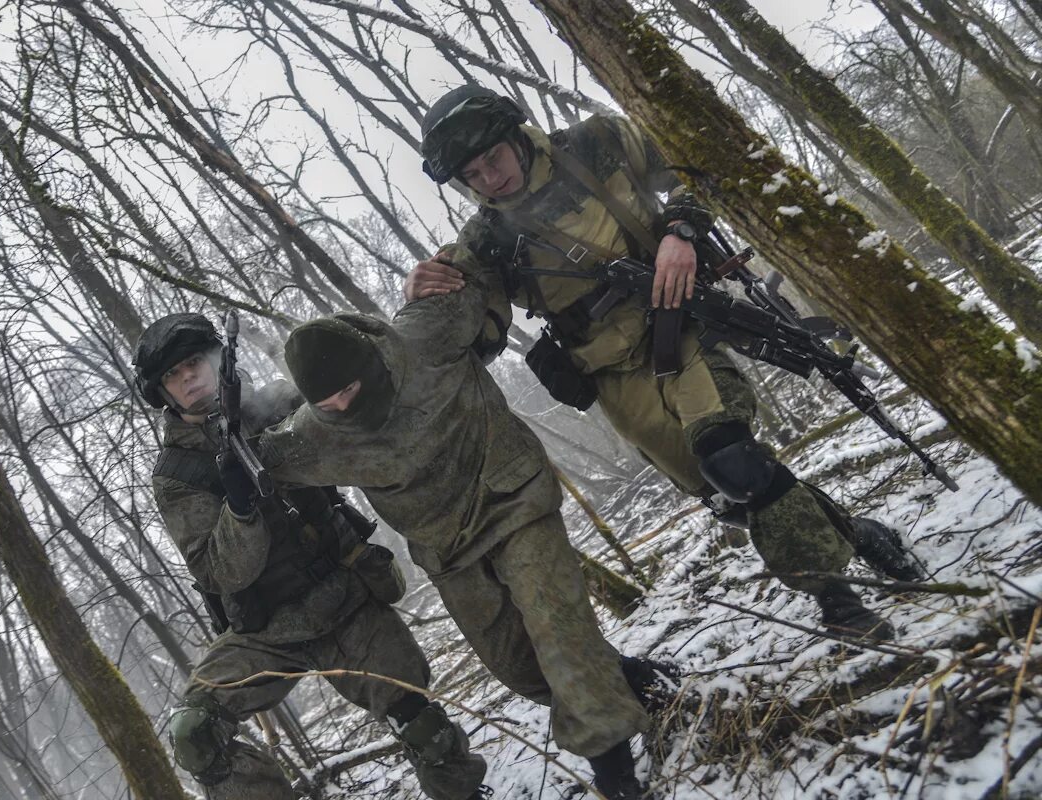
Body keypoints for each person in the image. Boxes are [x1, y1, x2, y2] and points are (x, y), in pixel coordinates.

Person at [408, 84, 927, 643]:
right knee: (730, 493)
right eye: (473, 174)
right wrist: (425, 294)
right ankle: (859, 534)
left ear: (516, 136)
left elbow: (692, 165)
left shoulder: (596, 143)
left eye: (494, 158)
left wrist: (680, 230)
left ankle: (839, 603)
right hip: (612, 374)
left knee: (731, 456)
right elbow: (474, 333)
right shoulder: (482, 243)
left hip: (679, 322)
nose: (491, 178)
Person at [257, 267, 676, 800]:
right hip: (448, 550)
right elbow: (260, 460)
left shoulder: (423, 335)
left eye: (348, 390)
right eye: (327, 402)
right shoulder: (315, 435)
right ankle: (638, 682)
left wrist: (439, 270)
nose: (342, 406)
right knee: (521, 667)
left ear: (369, 363)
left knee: (557, 631)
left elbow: (481, 272)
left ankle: (616, 774)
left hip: (514, 501)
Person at [132, 313, 489, 800]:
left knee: (422, 722)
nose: (187, 377)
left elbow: (365, 433)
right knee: (195, 732)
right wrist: (240, 509)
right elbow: (218, 571)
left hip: (342, 596)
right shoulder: (176, 474)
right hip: (266, 629)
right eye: (173, 375)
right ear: (162, 393)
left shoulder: (278, 404)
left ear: (216, 360)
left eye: (193, 362)